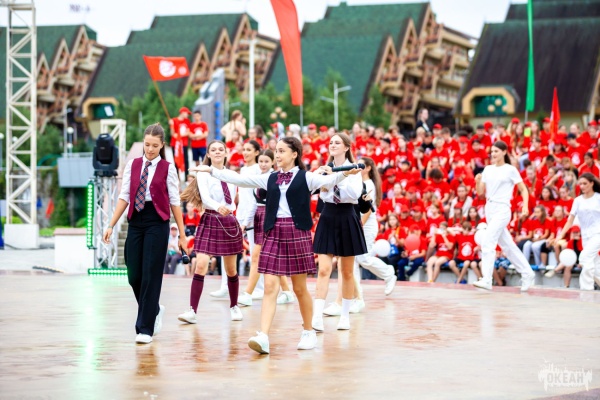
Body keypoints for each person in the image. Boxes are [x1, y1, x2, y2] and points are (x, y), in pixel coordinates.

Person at [192, 137, 360, 354]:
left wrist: (347, 173)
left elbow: (330, 180)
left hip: (296, 232)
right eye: (276, 151)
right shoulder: (269, 178)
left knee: (299, 288)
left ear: (294, 154)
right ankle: (263, 336)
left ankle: (308, 331)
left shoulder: (307, 177)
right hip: (273, 232)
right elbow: (240, 179)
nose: (277, 155)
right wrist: (211, 171)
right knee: (270, 286)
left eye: (282, 151)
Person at [103, 123, 187, 344]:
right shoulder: (133, 165)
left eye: (155, 146)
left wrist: (182, 234)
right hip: (136, 220)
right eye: (147, 144)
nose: (150, 149)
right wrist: (111, 224)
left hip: (157, 221)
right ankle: (154, 309)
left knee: (151, 274)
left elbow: (175, 202)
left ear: (162, 145)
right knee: (134, 275)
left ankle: (145, 328)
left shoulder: (168, 168)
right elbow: (124, 196)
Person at [177, 140, 244, 325]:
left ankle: (234, 306)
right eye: (213, 150)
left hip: (229, 220)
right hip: (210, 218)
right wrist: (218, 206)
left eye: (221, 149)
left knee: (231, 269)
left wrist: (238, 218)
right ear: (208, 153)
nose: (217, 152)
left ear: (226, 153)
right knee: (200, 265)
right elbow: (205, 198)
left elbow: (236, 199)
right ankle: (192, 310)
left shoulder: (232, 175)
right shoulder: (202, 173)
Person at [322, 157, 397, 318]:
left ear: (368, 168)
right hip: (357, 222)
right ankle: (357, 298)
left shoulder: (368, 184)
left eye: (361, 164)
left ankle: (388, 273)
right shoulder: (355, 179)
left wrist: (358, 226)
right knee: (352, 263)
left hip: (366, 224)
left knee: (363, 258)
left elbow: (367, 209)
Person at [312, 133, 368, 332]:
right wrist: (328, 177)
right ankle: (316, 316)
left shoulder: (355, 169)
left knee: (346, 271)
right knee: (323, 270)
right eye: (331, 142)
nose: (333, 145)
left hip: (347, 216)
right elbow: (320, 192)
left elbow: (353, 194)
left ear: (346, 147)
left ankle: (345, 316)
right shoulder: (323, 169)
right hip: (328, 215)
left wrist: (339, 177)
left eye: (337, 142)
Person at [473, 141, 535, 291]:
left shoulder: (510, 170)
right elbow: (480, 192)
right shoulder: (488, 169)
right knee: (508, 246)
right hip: (489, 208)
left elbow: (523, 189)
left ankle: (487, 279)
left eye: (496, 151)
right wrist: (477, 182)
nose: (493, 154)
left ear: (504, 152)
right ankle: (528, 273)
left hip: (502, 209)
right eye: (492, 151)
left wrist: (525, 205)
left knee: (488, 241)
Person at [210, 140, 264, 299]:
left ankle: (259, 288)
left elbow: (255, 197)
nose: (245, 152)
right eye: (244, 149)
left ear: (256, 152)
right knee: (226, 250)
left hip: (253, 216)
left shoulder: (258, 169)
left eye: (249, 150)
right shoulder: (243, 169)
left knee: (255, 253)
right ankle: (225, 285)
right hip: (239, 215)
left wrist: (247, 219)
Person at [555, 173, 600, 290]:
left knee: (584, 258)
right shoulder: (578, 200)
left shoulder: (598, 198)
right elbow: (570, 221)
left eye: (585, 183)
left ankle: (586, 289)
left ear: (592, 183)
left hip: (598, 234)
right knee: (595, 265)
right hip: (585, 236)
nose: (582, 186)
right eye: (580, 184)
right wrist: (560, 235)